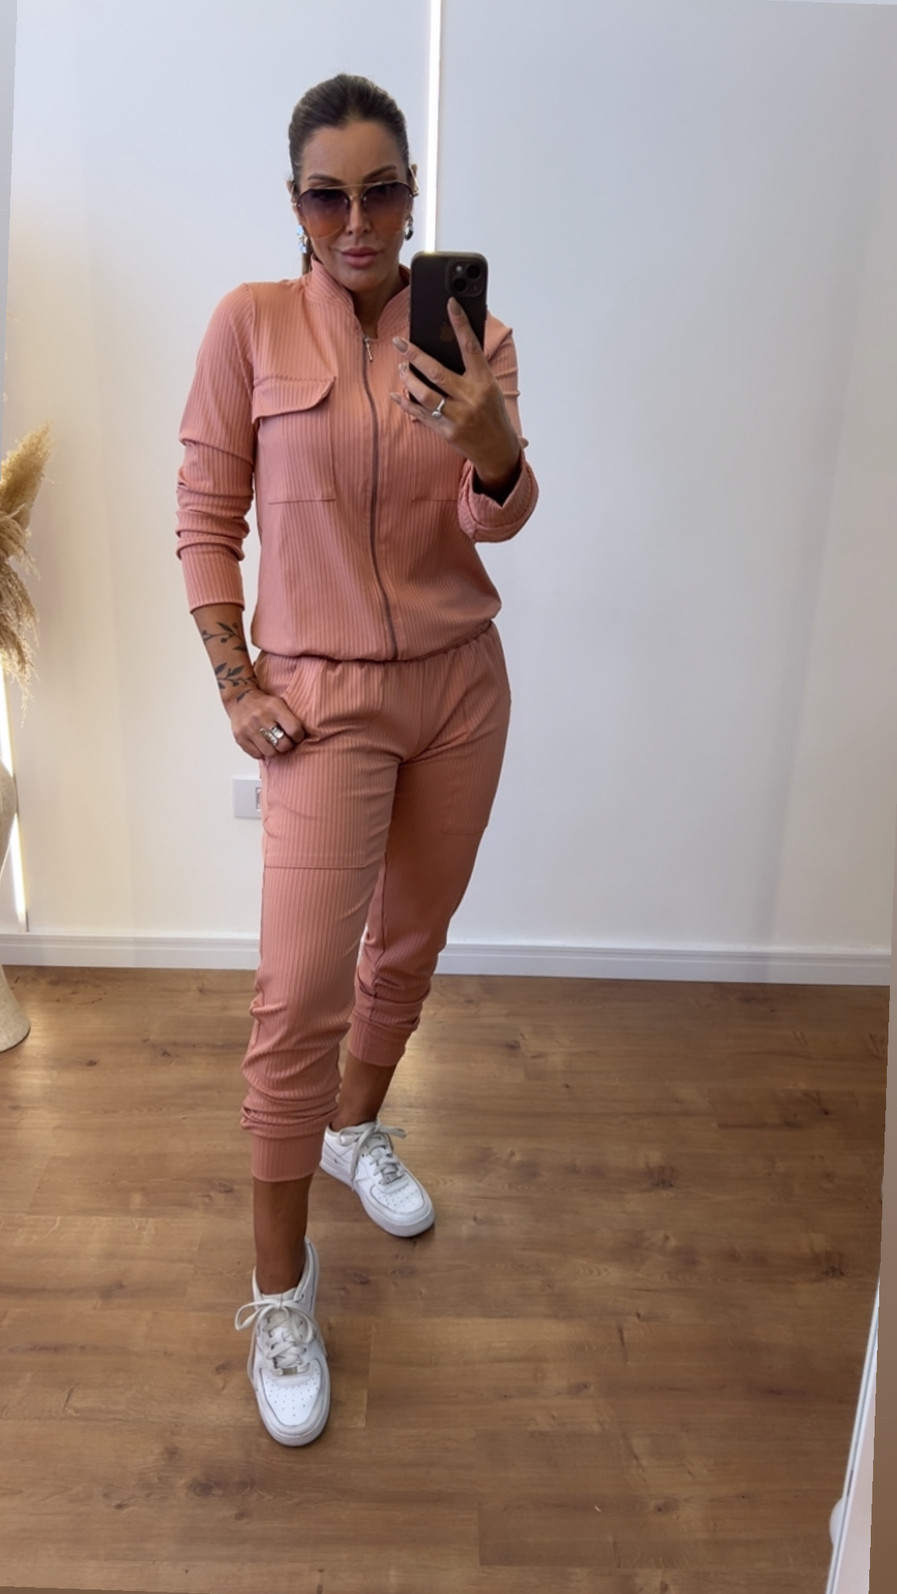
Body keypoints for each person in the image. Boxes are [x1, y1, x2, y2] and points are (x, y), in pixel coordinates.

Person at [176, 73, 538, 1447]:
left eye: (383, 189)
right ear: (296, 203)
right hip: (321, 699)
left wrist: (495, 448)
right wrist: (236, 680)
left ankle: (354, 1127)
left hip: (459, 686)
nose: (359, 219)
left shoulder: (473, 333)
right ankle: (280, 1290)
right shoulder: (248, 326)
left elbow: (496, 520)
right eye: (329, 195)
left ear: (412, 195)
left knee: (410, 947)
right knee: (297, 997)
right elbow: (205, 512)